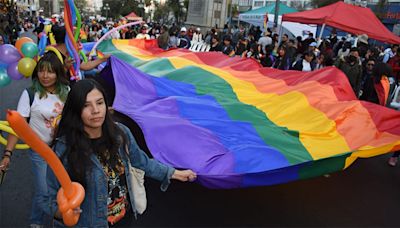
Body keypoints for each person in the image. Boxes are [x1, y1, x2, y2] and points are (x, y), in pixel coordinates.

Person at [44, 79, 197, 227]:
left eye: (99, 103)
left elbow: (142, 162)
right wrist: (64, 212)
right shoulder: (64, 148)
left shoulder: (120, 133)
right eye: (86, 105)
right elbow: (49, 198)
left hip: (124, 219)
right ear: (76, 110)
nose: (96, 111)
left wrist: (173, 173)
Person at [0, 52, 69, 227]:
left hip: (62, 150)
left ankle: (37, 221)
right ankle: (54, 220)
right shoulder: (30, 94)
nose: (45, 76)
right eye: (41, 71)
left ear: (58, 73)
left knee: (57, 190)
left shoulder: (66, 92)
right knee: (44, 192)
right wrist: (7, 154)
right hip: (39, 151)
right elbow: (18, 126)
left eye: (50, 72)